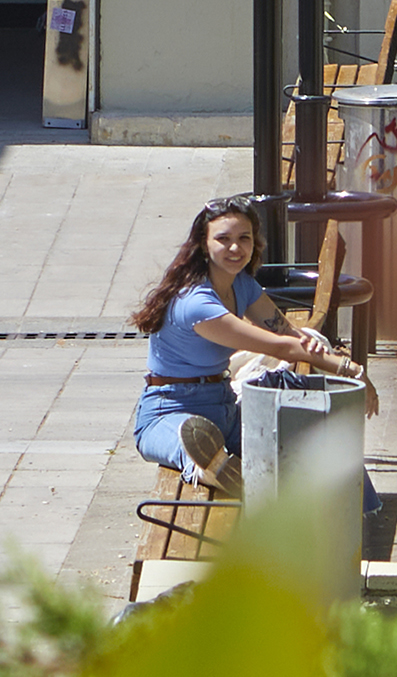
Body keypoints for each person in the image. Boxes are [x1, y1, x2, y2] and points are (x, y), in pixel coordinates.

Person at [131, 195, 350, 494]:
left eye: (243, 238)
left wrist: (334, 359)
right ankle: (212, 470)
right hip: (169, 411)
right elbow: (280, 348)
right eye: (223, 239)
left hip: (223, 408)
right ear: (203, 244)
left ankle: (345, 518)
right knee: (191, 446)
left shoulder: (241, 284)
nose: (235, 248)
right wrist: (349, 370)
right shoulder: (196, 303)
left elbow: (288, 334)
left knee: (310, 448)